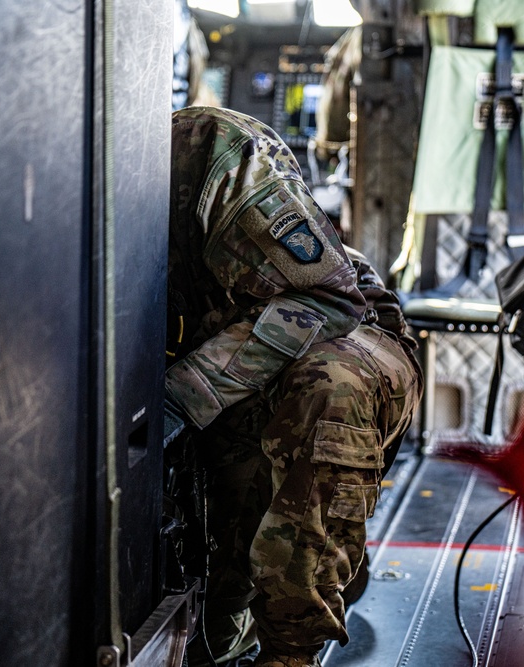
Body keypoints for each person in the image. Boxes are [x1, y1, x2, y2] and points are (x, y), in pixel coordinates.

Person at [165, 106, 422, 667]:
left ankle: (293, 646)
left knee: (327, 388)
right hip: (229, 360)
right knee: (218, 621)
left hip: (341, 334)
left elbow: (327, 298)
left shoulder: (210, 150)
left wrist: (182, 395)